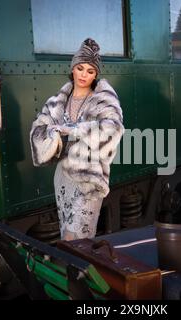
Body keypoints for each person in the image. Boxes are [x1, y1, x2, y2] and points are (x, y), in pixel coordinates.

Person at [30, 38, 124, 240]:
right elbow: (39, 128)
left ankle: (80, 270)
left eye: (90, 71)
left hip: (89, 177)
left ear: (96, 75)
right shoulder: (58, 101)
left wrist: (72, 130)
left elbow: (113, 129)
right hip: (63, 175)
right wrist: (52, 136)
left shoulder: (103, 98)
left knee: (78, 236)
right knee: (66, 232)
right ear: (72, 68)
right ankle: (75, 271)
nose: (84, 75)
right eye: (80, 68)